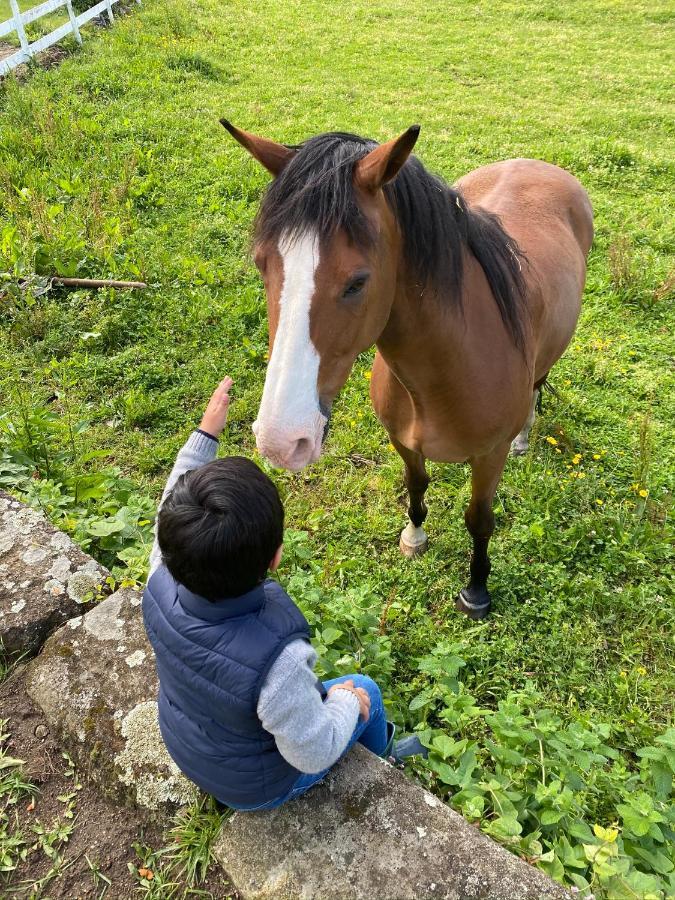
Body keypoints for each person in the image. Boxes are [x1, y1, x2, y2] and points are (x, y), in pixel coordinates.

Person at [142, 376, 424, 811]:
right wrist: (350, 701)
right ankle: (384, 761)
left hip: (187, 745)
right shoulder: (280, 663)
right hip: (257, 787)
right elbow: (312, 750)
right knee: (364, 688)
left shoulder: (160, 576)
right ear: (276, 557)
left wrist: (205, 435)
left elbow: (169, 504)